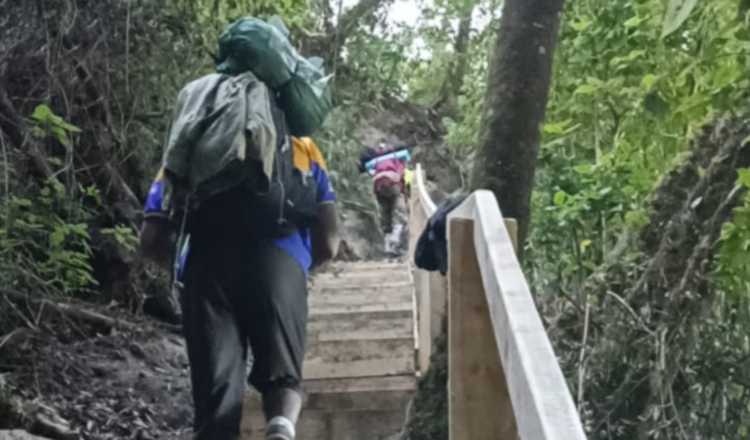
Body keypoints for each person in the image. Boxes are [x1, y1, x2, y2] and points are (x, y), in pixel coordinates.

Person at [140, 135, 338, 440]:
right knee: (283, 378)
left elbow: (151, 238)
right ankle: (281, 429)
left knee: (216, 394)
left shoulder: (191, 143)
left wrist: (182, 271)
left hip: (206, 262)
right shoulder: (302, 146)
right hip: (281, 261)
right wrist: (299, 268)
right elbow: (329, 242)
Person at [364, 144, 411, 255]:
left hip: (378, 186)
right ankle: (394, 243)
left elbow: (371, 173)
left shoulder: (378, 162)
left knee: (385, 213)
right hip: (393, 185)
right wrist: (406, 193)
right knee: (400, 214)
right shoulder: (398, 160)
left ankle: (387, 246)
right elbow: (403, 176)